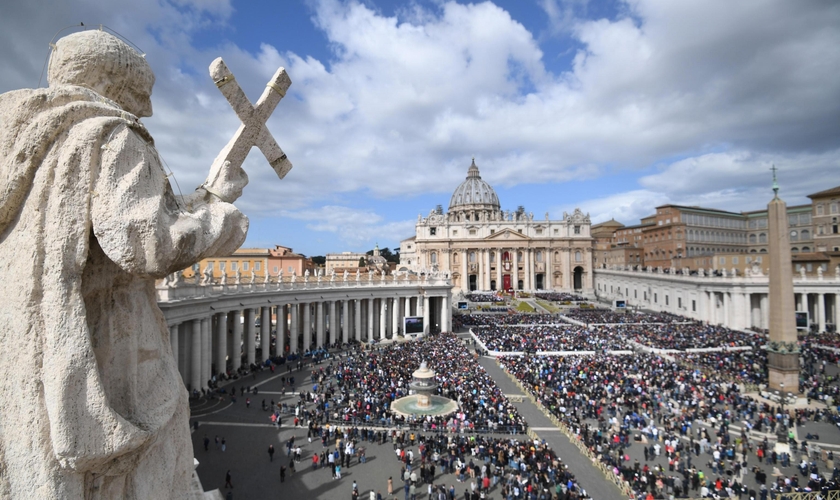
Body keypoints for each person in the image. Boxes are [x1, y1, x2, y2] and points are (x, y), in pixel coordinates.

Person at [0, 29, 250, 499]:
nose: (148, 111)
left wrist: (209, 193)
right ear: (112, 84)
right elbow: (147, 242)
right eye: (141, 95)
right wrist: (224, 220)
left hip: (24, 340)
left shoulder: (19, 142)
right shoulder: (109, 133)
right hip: (110, 339)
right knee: (152, 450)